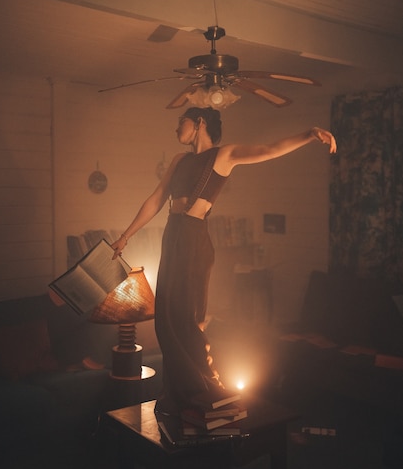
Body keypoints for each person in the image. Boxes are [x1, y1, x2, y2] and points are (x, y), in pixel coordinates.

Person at [111, 106, 337, 414]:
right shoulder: (180, 160)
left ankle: (207, 391)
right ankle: (178, 396)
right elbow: (155, 199)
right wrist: (126, 235)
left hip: (194, 238)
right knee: (166, 319)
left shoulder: (224, 155)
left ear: (200, 123)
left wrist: (309, 135)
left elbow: (268, 150)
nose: (177, 128)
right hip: (172, 235)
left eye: (182, 122)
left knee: (188, 320)